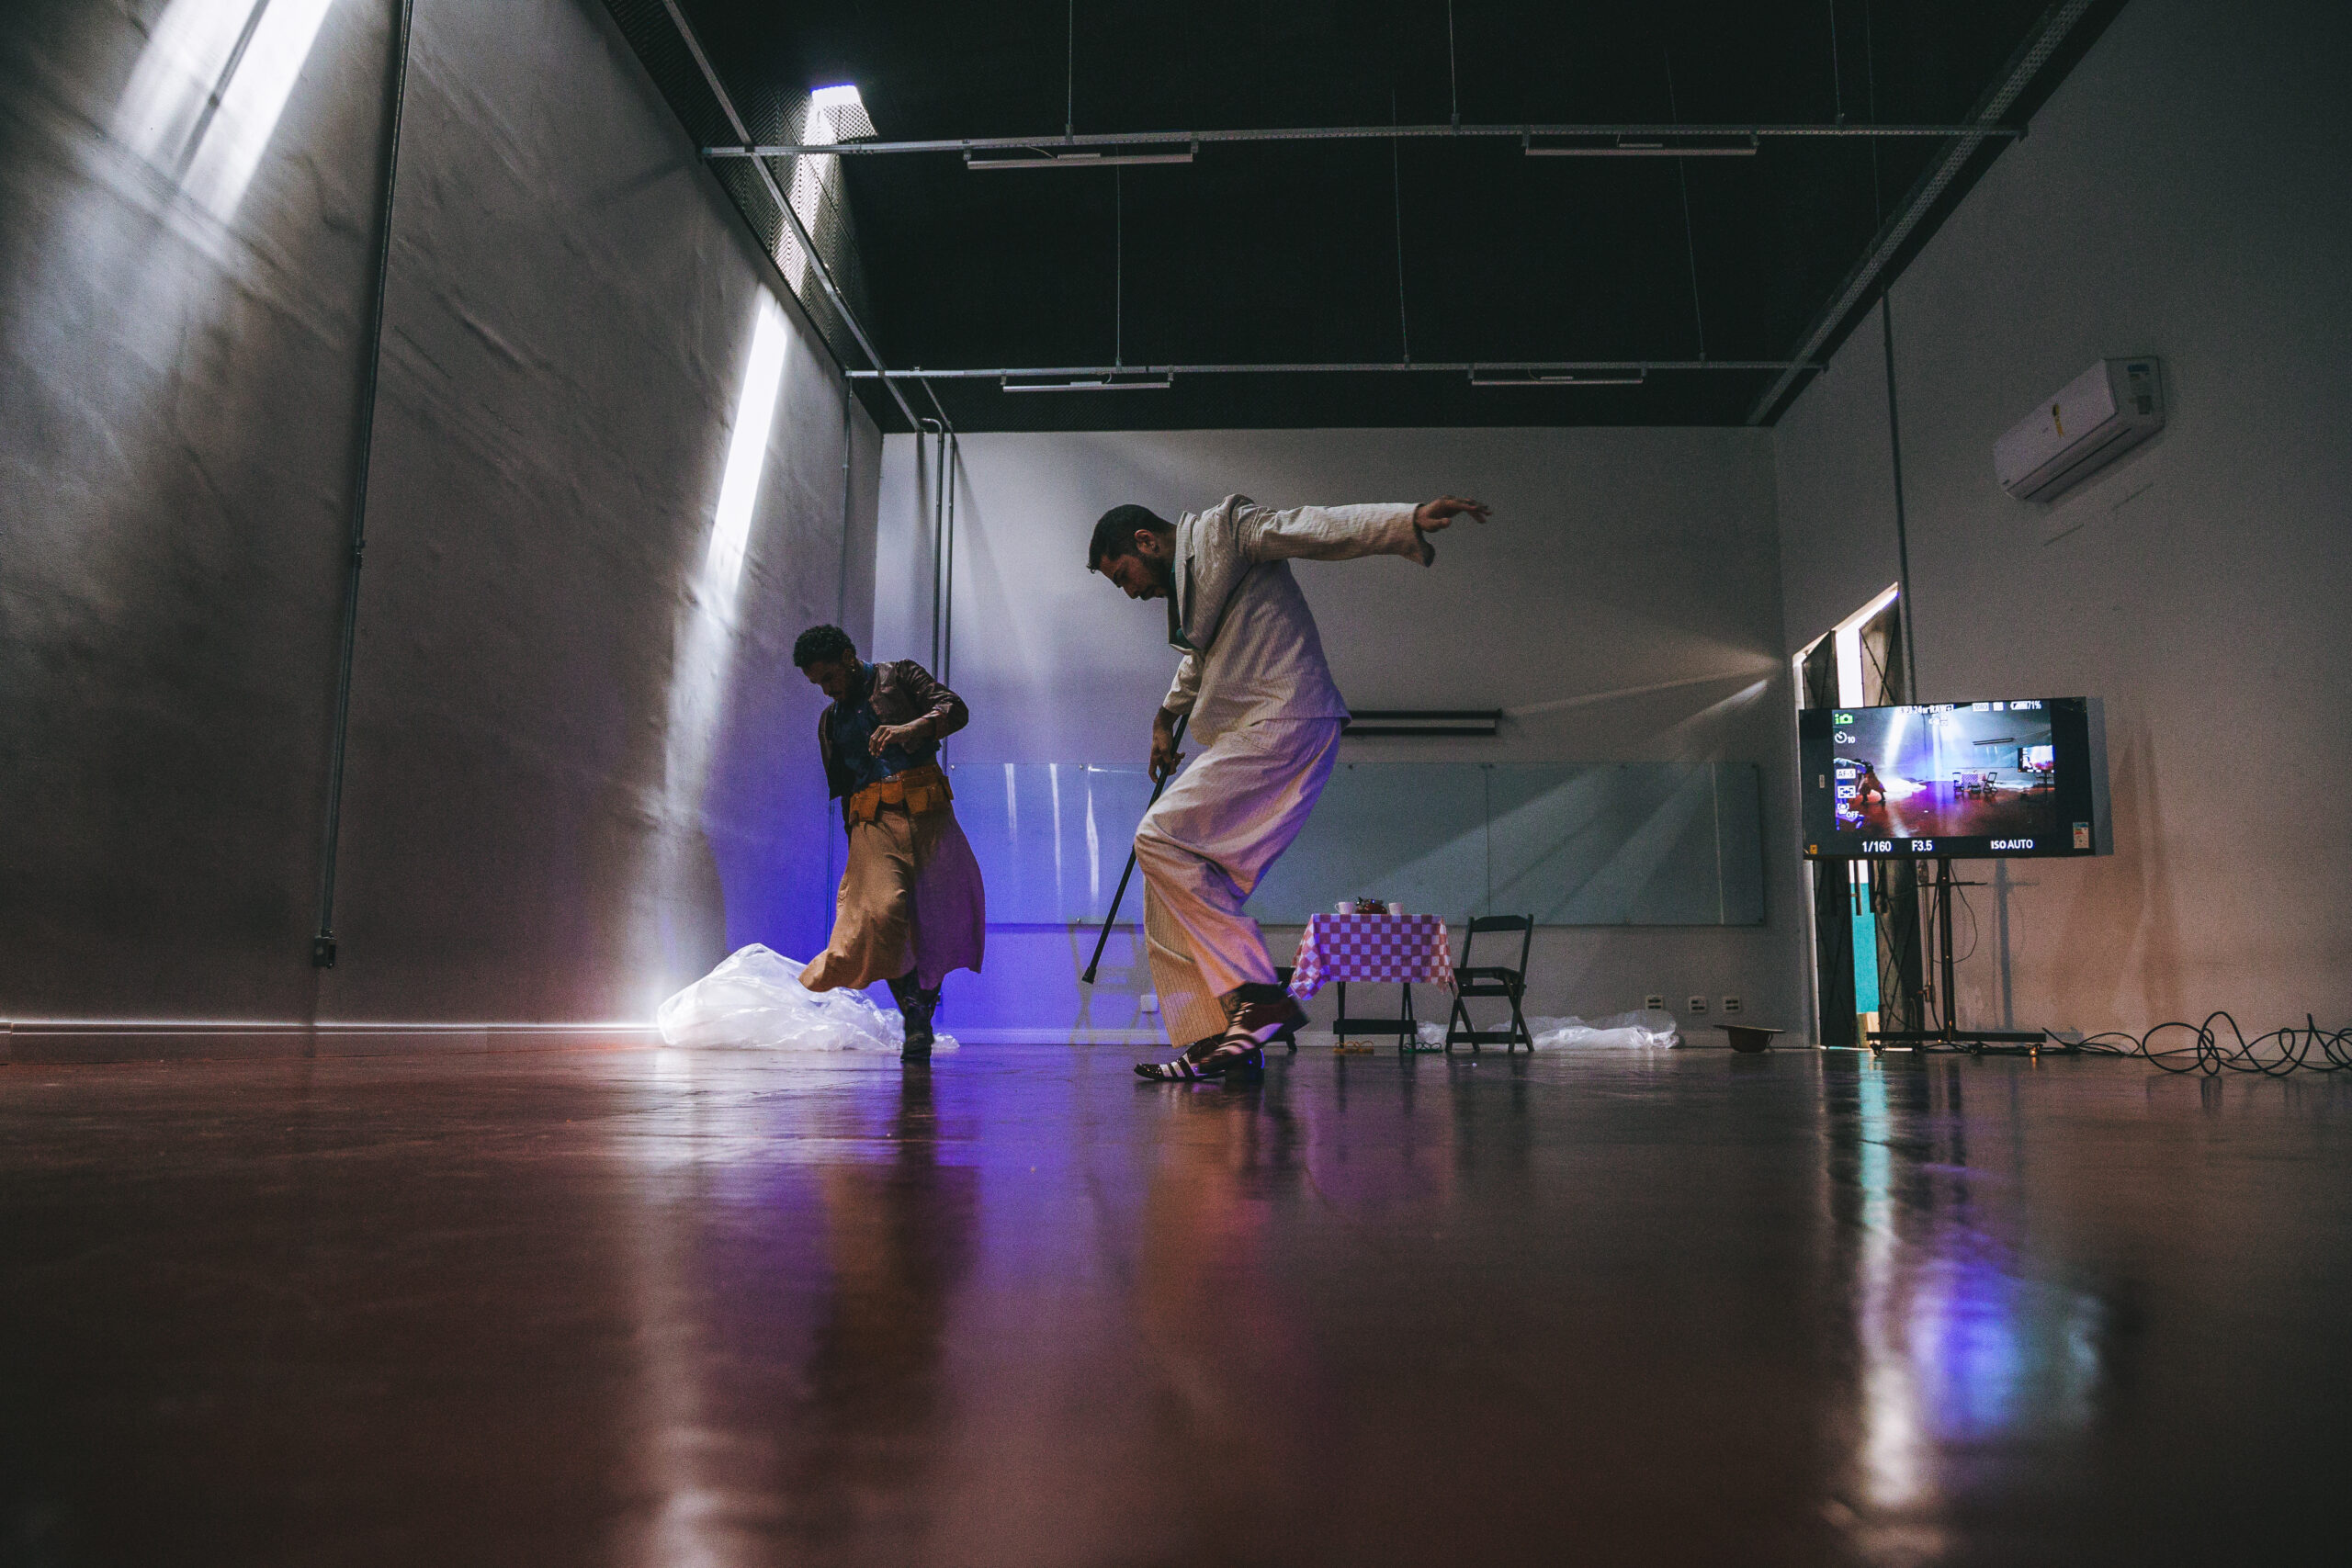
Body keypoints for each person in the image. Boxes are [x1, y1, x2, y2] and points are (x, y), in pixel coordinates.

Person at [1087, 492, 1490, 1081]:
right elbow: (1199, 661)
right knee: (1176, 876)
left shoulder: (1229, 532)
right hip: (1257, 727)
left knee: (1158, 837)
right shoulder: (1196, 596)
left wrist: (1402, 520)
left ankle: (1259, 997)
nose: (1129, 591)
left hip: (1285, 717)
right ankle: (1219, 1038)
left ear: (1146, 542)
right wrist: (1164, 717)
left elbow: (1314, 527)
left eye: (1123, 575)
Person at [793, 625, 986, 1061]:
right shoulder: (831, 720)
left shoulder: (898, 676)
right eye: (817, 684)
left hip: (929, 809)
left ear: (847, 657)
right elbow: (842, 787)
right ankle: (914, 1014)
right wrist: (854, 847)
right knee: (881, 912)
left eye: (828, 678)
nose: (826, 690)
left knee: (935, 917)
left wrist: (909, 729)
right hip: (871, 821)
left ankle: (918, 1021)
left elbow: (954, 709)